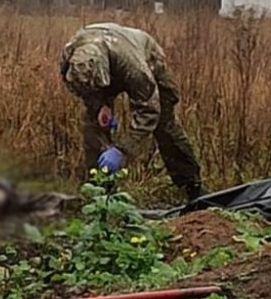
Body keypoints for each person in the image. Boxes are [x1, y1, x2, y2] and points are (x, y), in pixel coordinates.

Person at [59, 22, 205, 201]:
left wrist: (123, 151)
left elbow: (150, 111)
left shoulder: (135, 69)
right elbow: (83, 88)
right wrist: (99, 106)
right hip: (108, 57)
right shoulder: (70, 56)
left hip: (143, 52)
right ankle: (100, 191)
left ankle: (191, 185)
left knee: (164, 122)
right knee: (93, 124)